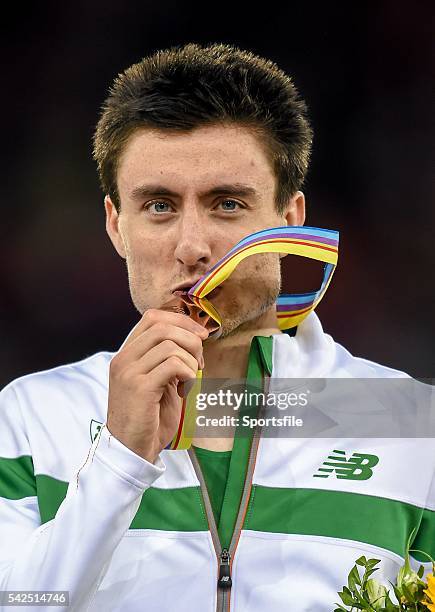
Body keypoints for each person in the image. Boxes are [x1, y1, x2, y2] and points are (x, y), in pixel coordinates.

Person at [0, 43, 433, 612]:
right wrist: (119, 459)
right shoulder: (32, 417)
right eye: (158, 206)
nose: (192, 248)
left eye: (227, 204)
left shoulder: (410, 422)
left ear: (289, 219)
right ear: (116, 226)